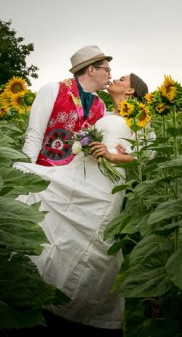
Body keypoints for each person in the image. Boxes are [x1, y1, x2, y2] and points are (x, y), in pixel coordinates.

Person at [15, 47, 149, 332]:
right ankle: (45, 291)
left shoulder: (113, 110)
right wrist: (24, 168)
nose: (111, 75)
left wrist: (115, 155)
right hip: (68, 176)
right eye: (108, 70)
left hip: (101, 184)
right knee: (58, 237)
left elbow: (143, 151)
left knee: (96, 245)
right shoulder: (54, 90)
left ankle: (83, 305)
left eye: (119, 76)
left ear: (131, 92)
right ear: (92, 70)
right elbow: (35, 135)